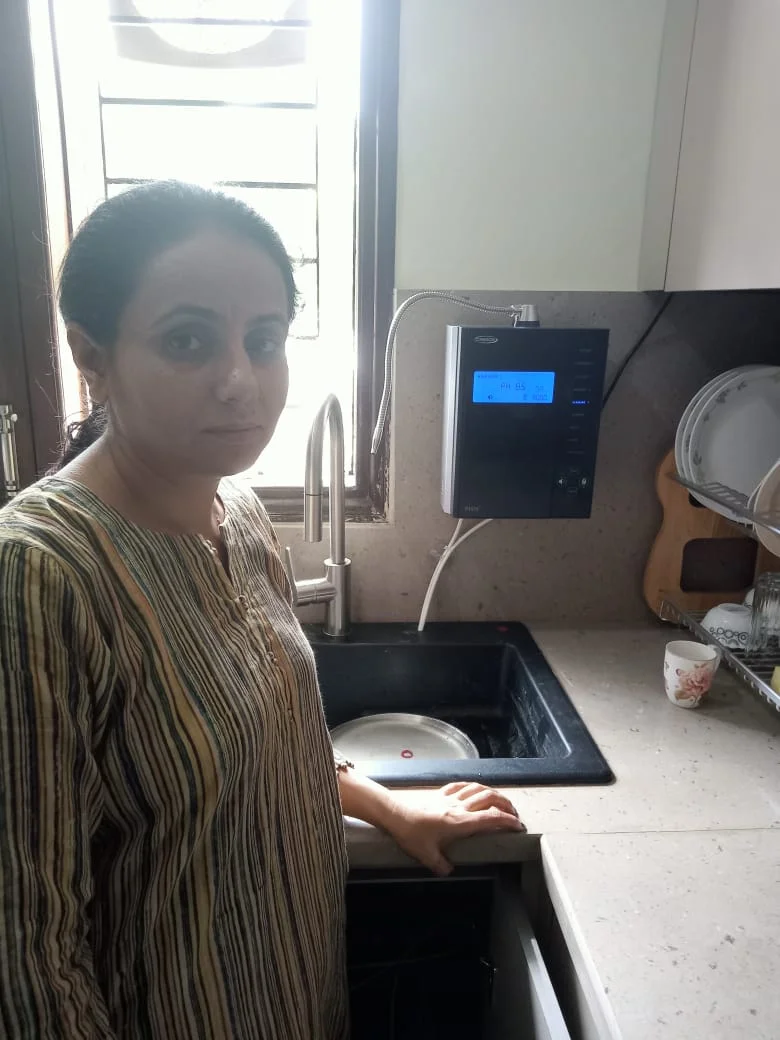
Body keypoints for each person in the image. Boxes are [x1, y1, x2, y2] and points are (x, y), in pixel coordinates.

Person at [0, 181, 524, 1039]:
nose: (241, 381)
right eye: (189, 341)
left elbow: (282, 739)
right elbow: (28, 961)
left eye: (264, 339)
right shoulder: (37, 576)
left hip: (295, 994)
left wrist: (391, 806)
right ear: (90, 355)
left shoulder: (237, 513)